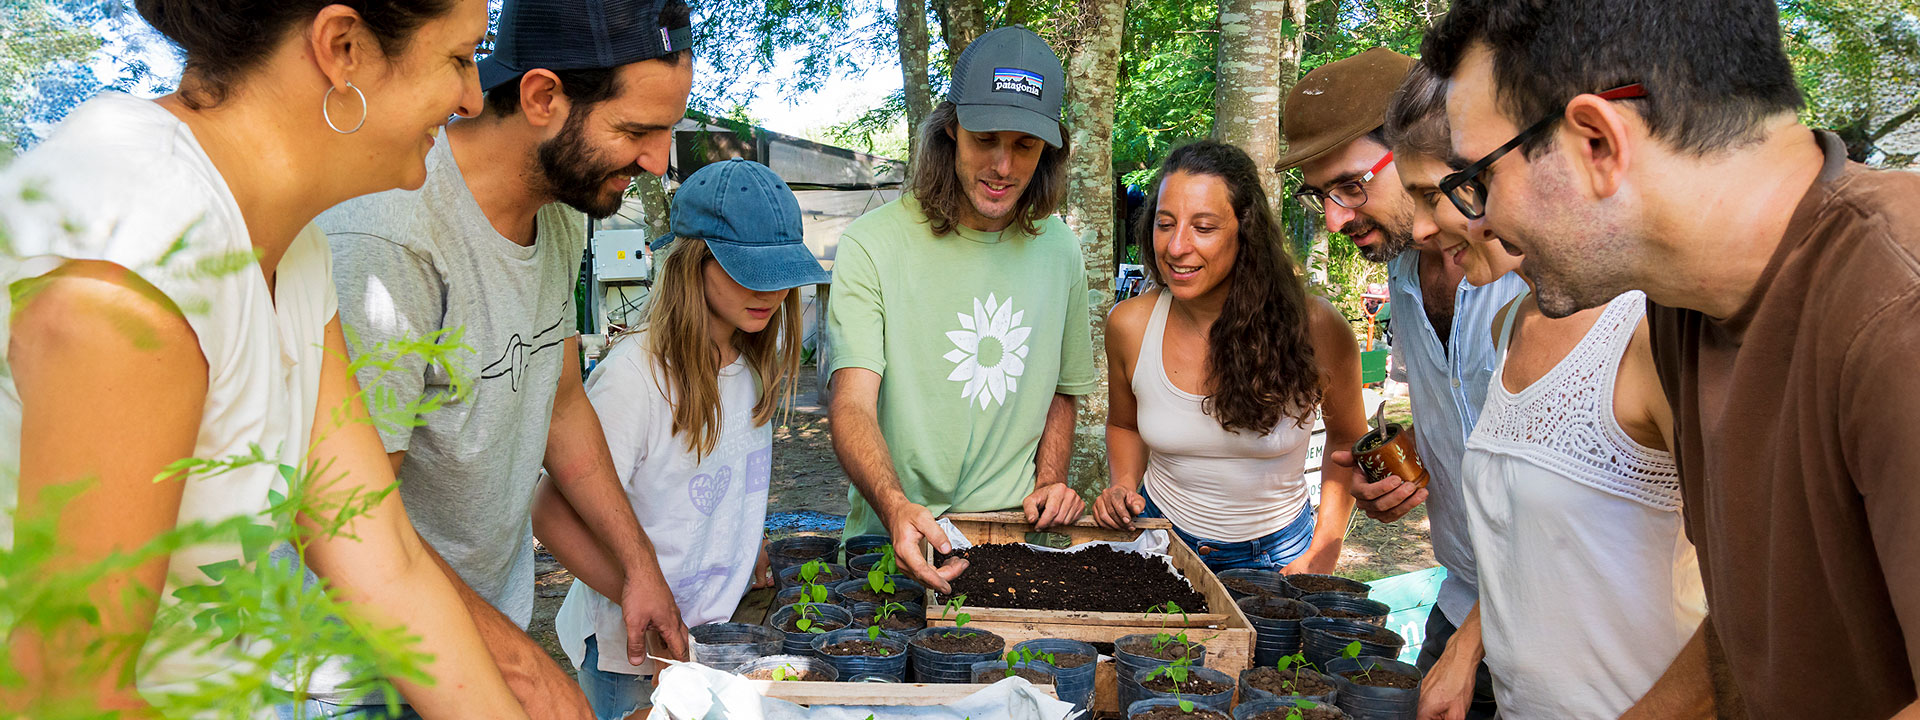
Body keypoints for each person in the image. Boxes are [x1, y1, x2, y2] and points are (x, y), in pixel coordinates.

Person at [0, 0, 530, 717]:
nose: (472, 97)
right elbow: (62, 693)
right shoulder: (136, 252)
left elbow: (386, 563)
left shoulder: (290, 247)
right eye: (459, 58)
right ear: (342, 48)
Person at [1425, 1, 1920, 717]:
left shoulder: (1895, 309)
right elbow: (1750, 617)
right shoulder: (1687, 306)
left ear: (1597, 141)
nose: (1476, 223)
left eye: (1478, 180)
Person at [304, 0, 696, 715]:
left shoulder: (565, 209)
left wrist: (638, 567)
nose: (657, 161)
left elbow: (562, 401)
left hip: (479, 628)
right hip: (361, 675)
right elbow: (353, 519)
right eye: (636, 130)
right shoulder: (389, 236)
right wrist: (524, 669)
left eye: (668, 129)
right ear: (542, 96)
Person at [1385, 64, 1705, 720]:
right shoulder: (1509, 325)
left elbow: (1758, 610)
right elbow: (1528, 547)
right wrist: (1466, 646)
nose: (1419, 230)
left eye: (1436, 193)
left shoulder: (1649, 335)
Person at [1277, 47, 1523, 718]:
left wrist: (1476, 645)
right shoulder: (1403, 275)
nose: (1334, 217)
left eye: (1351, 185)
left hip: (1551, 611)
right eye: (1320, 193)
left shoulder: (1530, 267)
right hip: (1463, 592)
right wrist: (1412, 461)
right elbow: (1476, 408)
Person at [539, 158, 824, 720]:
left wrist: (743, 542)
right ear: (695, 260)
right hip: (635, 656)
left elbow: (710, 483)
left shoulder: (750, 362)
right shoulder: (634, 377)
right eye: (747, 269)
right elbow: (549, 512)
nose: (770, 289)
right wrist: (644, 596)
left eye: (780, 270)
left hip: (710, 642)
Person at [827, 26, 1097, 593]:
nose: (1002, 165)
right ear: (951, 129)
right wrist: (896, 506)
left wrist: (1050, 480)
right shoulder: (873, 244)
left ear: (1049, 150)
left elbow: (1063, 389)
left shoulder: (1061, 249)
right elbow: (851, 405)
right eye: (985, 138)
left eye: (1024, 145)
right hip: (892, 535)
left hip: (1007, 538)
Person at [1091, 141, 1365, 576]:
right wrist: (1124, 484)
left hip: (1277, 558)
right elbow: (1124, 423)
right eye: (1165, 224)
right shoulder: (1129, 325)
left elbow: (1348, 440)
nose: (1177, 247)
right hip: (1157, 543)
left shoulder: (1313, 325)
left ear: (1246, 231)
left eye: (1204, 227)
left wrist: (1323, 553)